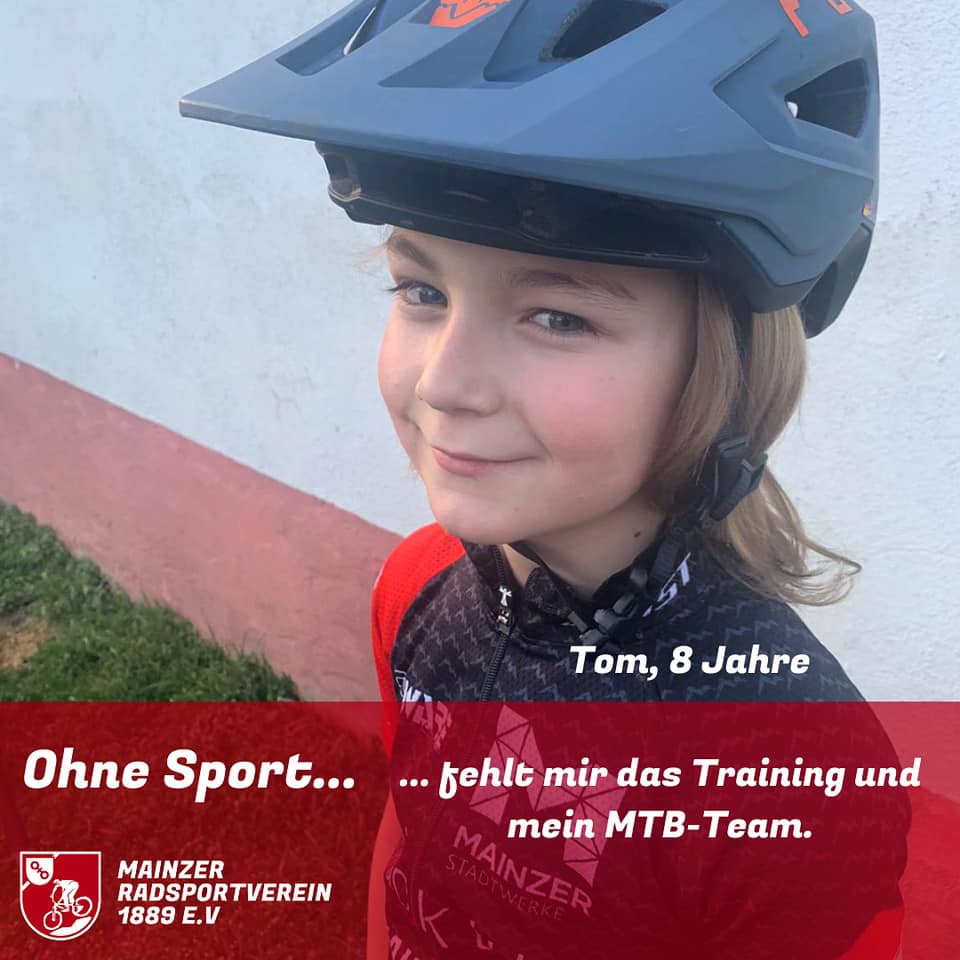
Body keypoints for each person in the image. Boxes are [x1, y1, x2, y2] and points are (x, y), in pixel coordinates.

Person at [180, 1, 909, 956]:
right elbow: (411, 832)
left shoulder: (795, 768)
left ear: (725, 373)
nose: (444, 385)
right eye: (422, 290)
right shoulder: (419, 587)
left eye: (558, 317)